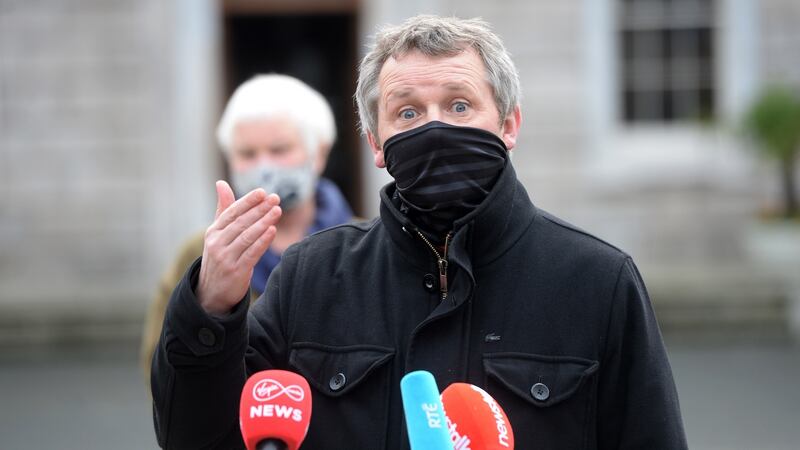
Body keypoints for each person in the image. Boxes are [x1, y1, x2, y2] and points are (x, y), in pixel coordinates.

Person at [151, 15, 688, 449]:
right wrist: (211, 308)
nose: (434, 128)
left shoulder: (597, 282)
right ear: (376, 144)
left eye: (459, 105)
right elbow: (196, 438)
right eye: (407, 112)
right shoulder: (312, 277)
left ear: (508, 124)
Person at [141, 74, 353, 382]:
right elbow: (162, 369)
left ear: (319, 153)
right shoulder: (202, 251)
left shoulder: (368, 242)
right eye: (247, 154)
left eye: (279, 149)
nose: (263, 166)